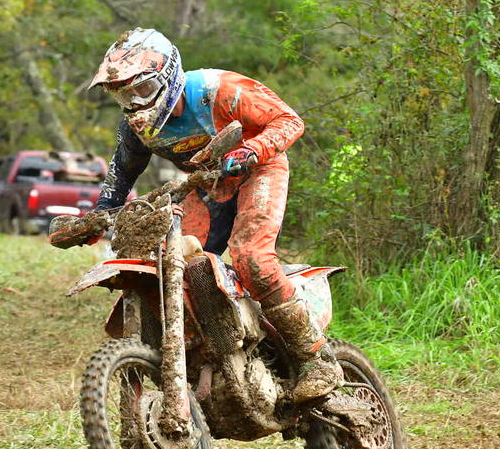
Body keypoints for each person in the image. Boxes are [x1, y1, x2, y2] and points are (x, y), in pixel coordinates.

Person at [84, 27, 341, 403]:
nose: (133, 102)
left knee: (252, 257)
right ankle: (207, 347)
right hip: (204, 186)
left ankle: (315, 359)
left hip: (258, 168)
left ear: (167, 75)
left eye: (140, 89)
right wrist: (96, 218)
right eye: (122, 94)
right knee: (164, 263)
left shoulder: (216, 90)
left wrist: (252, 150)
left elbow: (289, 121)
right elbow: (122, 173)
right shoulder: (136, 127)